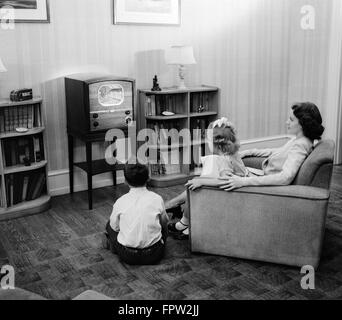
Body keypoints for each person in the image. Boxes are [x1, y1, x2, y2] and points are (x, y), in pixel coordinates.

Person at [167, 102, 325, 239]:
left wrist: (243, 181)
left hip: (259, 187)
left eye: (291, 119)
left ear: (303, 123)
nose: (286, 122)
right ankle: (181, 211)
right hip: (255, 175)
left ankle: (180, 215)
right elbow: (274, 153)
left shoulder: (300, 145)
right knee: (212, 167)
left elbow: (285, 178)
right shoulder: (299, 140)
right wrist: (244, 153)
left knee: (206, 174)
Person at [166, 117, 249, 239]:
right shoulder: (228, 153)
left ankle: (183, 221)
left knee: (198, 184)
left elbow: (225, 180)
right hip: (233, 178)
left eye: (209, 140)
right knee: (199, 179)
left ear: (218, 144)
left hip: (235, 187)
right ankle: (182, 219)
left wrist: (201, 181)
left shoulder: (223, 160)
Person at [103, 162, 169, 265]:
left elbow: (115, 227)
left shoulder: (120, 201)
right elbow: (164, 223)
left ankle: (114, 245)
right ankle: (161, 243)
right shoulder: (157, 198)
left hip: (128, 256)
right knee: (164, 223)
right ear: (148, 178)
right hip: (154, 254)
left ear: (125, 181)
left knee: (109, 225)